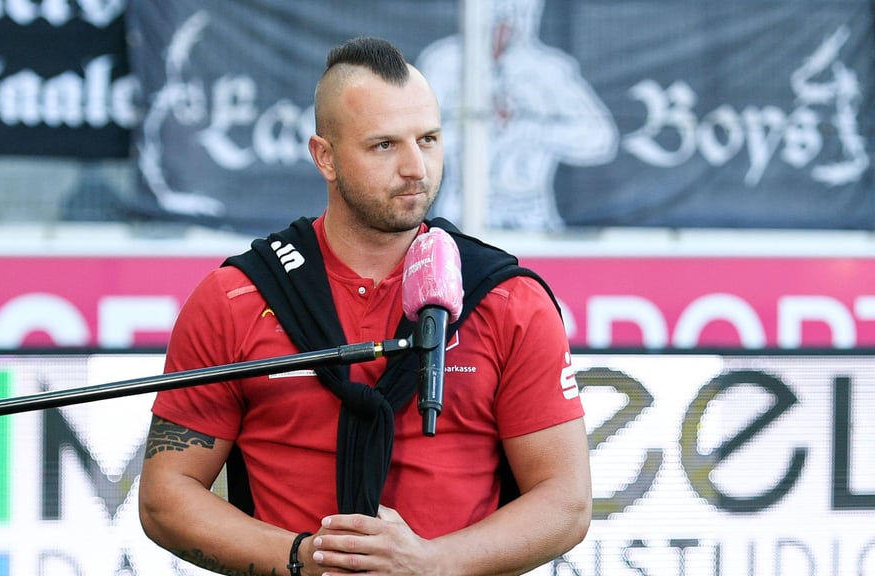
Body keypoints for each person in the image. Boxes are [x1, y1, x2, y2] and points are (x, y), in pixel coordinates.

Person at [139, 36, 591, 576]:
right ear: (323, 156)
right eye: (384, 145)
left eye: (428, 139)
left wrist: (430, 563)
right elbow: (165, 496)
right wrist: (303, 558)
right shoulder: (236, 297)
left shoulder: (506, 297)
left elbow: (566, 501)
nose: (415, 168)